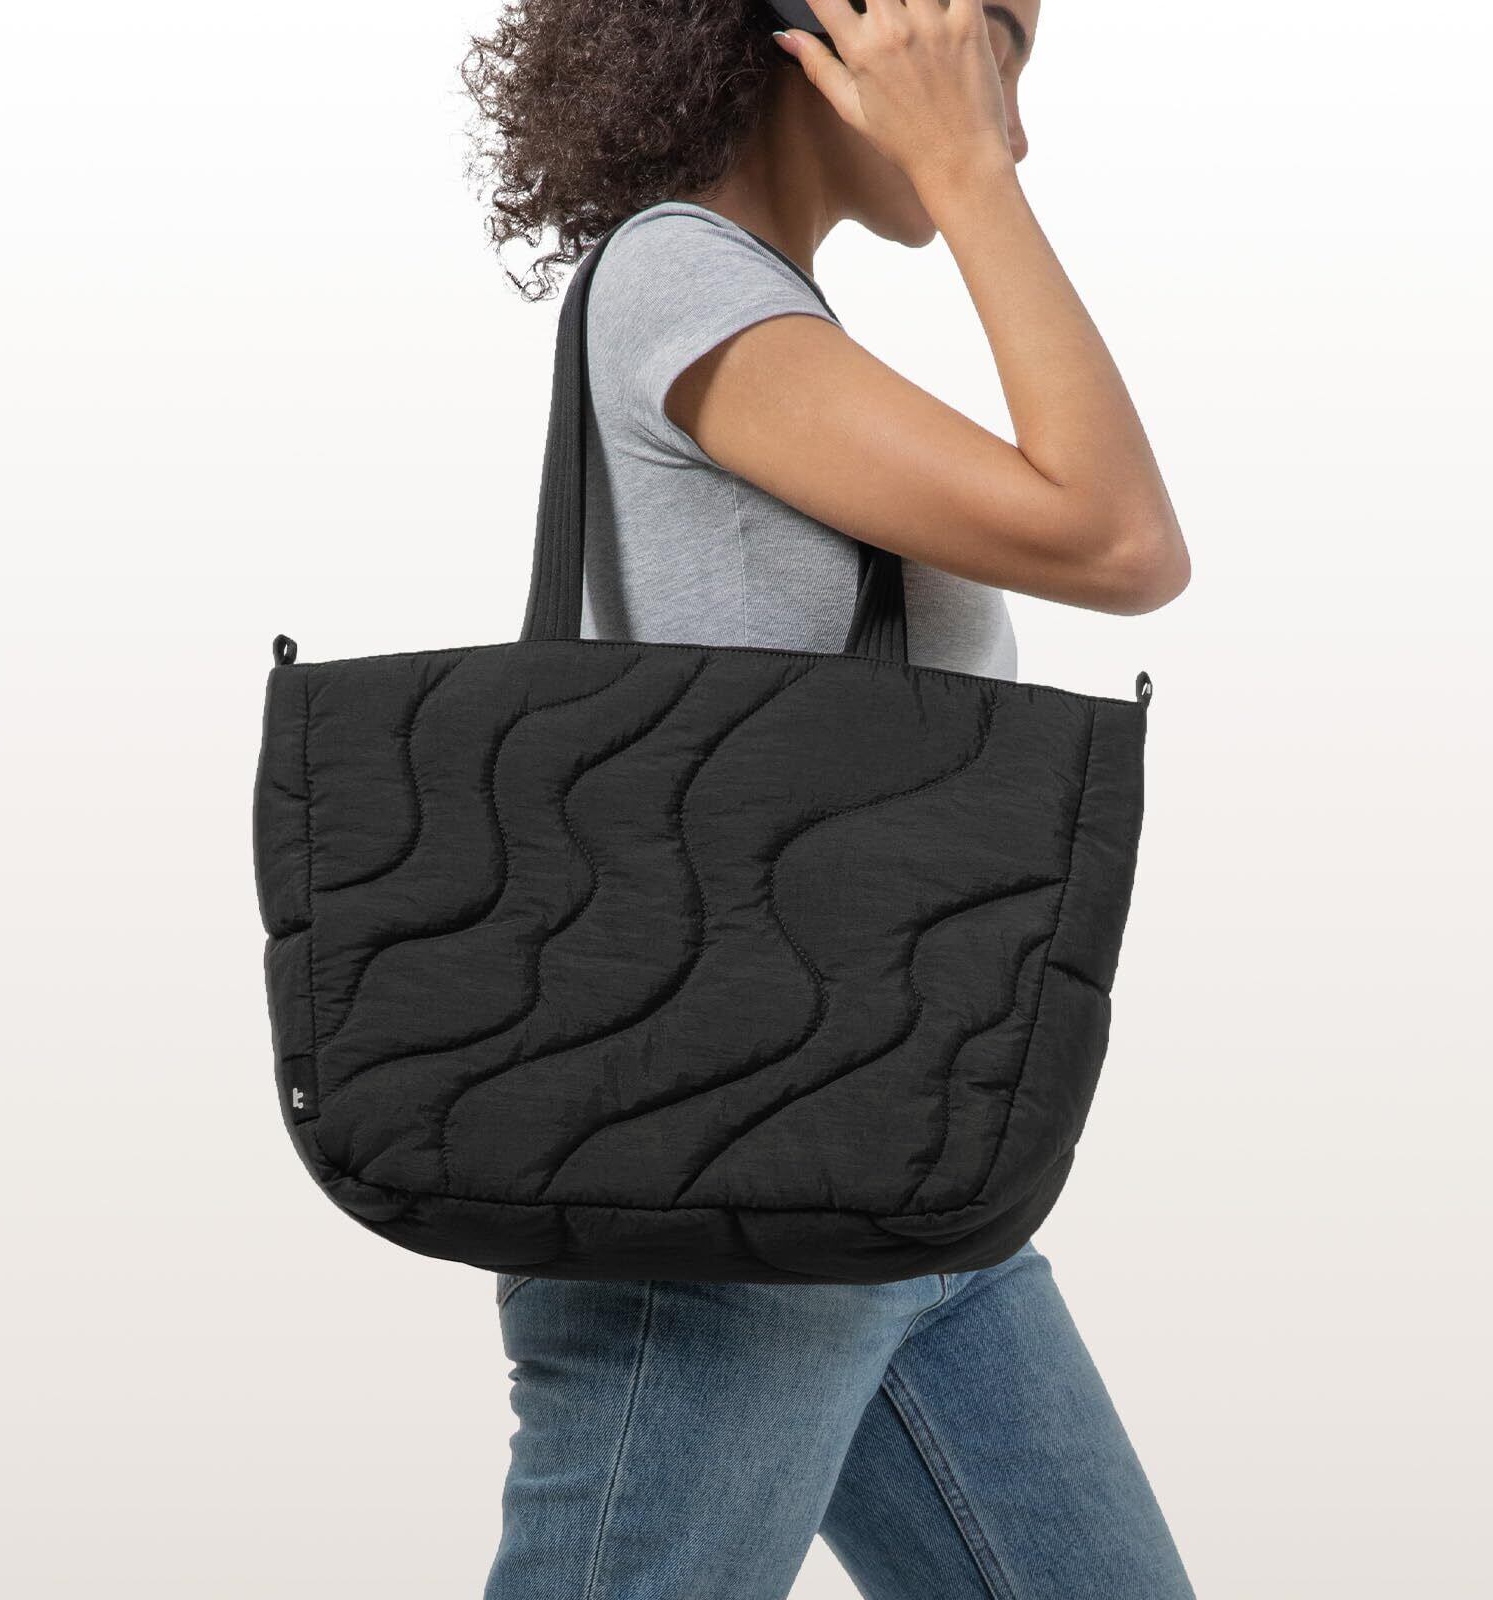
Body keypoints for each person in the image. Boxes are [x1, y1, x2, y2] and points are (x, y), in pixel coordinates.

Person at [462, 3, 1194, 1595]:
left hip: (906, 1177)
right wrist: (969, 172)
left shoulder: (771, 317)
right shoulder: (681, 283)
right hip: (716, 1207)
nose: (1011, 123)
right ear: (841, 27)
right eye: (995, 55)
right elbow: (1120, 540)